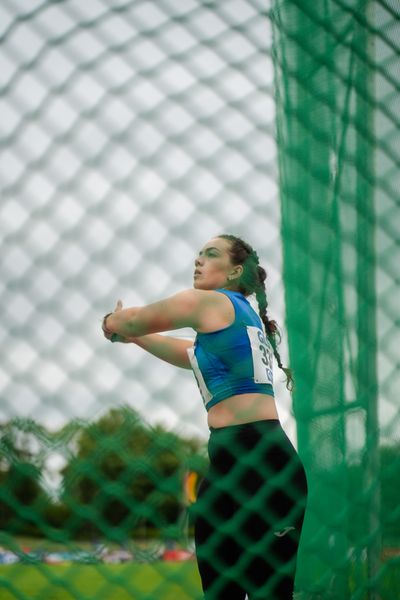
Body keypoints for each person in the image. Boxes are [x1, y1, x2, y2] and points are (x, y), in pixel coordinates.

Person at [102, 234, 308, 599]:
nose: (198, 260)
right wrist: (131, 337)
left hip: (266, 465)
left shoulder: (210, 303)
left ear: (235, 272)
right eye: (198, 253)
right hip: (226, 469)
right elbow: (188, 353)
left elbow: (136, 320)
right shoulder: (226, 327)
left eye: (210, 254)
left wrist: (115, 321)